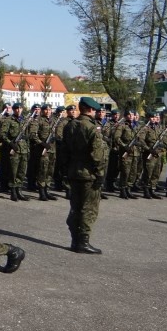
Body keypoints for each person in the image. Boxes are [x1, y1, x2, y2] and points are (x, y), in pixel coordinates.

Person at [61, 97, 107, 254]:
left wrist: (65, 171)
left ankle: (75, 240)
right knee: (89, 208)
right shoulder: (91, 128)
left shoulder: (70, 125)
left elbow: (63, 151)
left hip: (73, 172)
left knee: (76, 207)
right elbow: (97, 154)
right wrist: (100, 173)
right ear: (91, 110)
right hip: (88, 174)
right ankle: (83, 242)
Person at [0, 102, 30, 201]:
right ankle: (13, 191)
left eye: (20, 108)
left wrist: (27, 147)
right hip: (14, 149)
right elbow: (2, 134)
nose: (18, 110)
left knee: (21, 171)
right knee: (13, 171)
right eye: (16, 108)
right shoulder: (8, 120)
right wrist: (10, 143)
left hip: (23, 149)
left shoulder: (25, 120)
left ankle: (19, 190)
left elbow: (27, 135)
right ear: (14, 110)